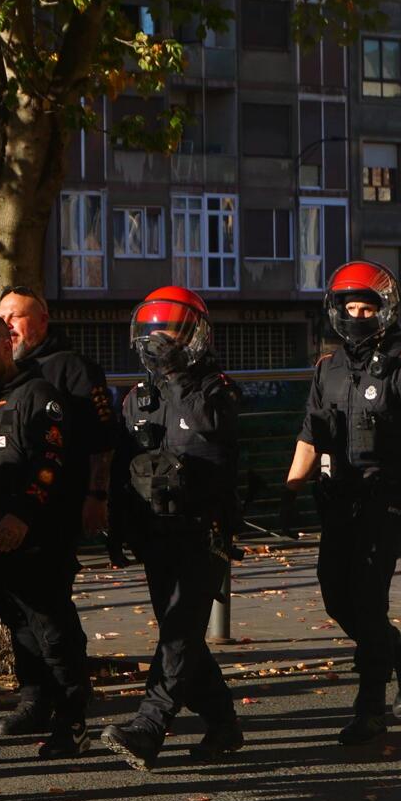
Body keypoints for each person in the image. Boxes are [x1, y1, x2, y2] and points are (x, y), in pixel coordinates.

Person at [281, 260, 401, 746]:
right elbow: (310, 436)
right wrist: (289, 492)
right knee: (337, 597)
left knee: (368, 596)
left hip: (388, 499)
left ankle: (370, 707)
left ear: (385, 310)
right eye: (349, 307)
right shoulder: (328, 368)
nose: (356, 316)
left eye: (365, 307)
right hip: (339, 500)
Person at [101, 286, 244, 771]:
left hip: (202, 530)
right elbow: (127, 463)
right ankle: (224, 724)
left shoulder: (214, 389)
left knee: (180, 633)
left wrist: (180, 374)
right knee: (179, 631)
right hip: (155, 530)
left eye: (169, 334)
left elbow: (210, 426)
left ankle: (150, 724)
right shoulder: (138, 397)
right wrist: (117, 526)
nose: (158, 343)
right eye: (152, 334)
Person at [0, 312, 93, 761]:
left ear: (6, 345)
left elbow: (49, 464)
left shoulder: (39, 396)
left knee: (54, 639)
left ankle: (71, 724)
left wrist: (21, 516)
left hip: (34, 544)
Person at [0, 285, 116, 740]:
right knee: (18, 613)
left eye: (17, 316)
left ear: (43, 321)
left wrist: (96, 497)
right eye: (2, 317)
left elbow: (103, 442)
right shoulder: (5, 373)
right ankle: (34, 698)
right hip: (10, 514)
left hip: (56, 510)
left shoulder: (72, 369)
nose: (9, 325)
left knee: (50, 612)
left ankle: (70, 703)